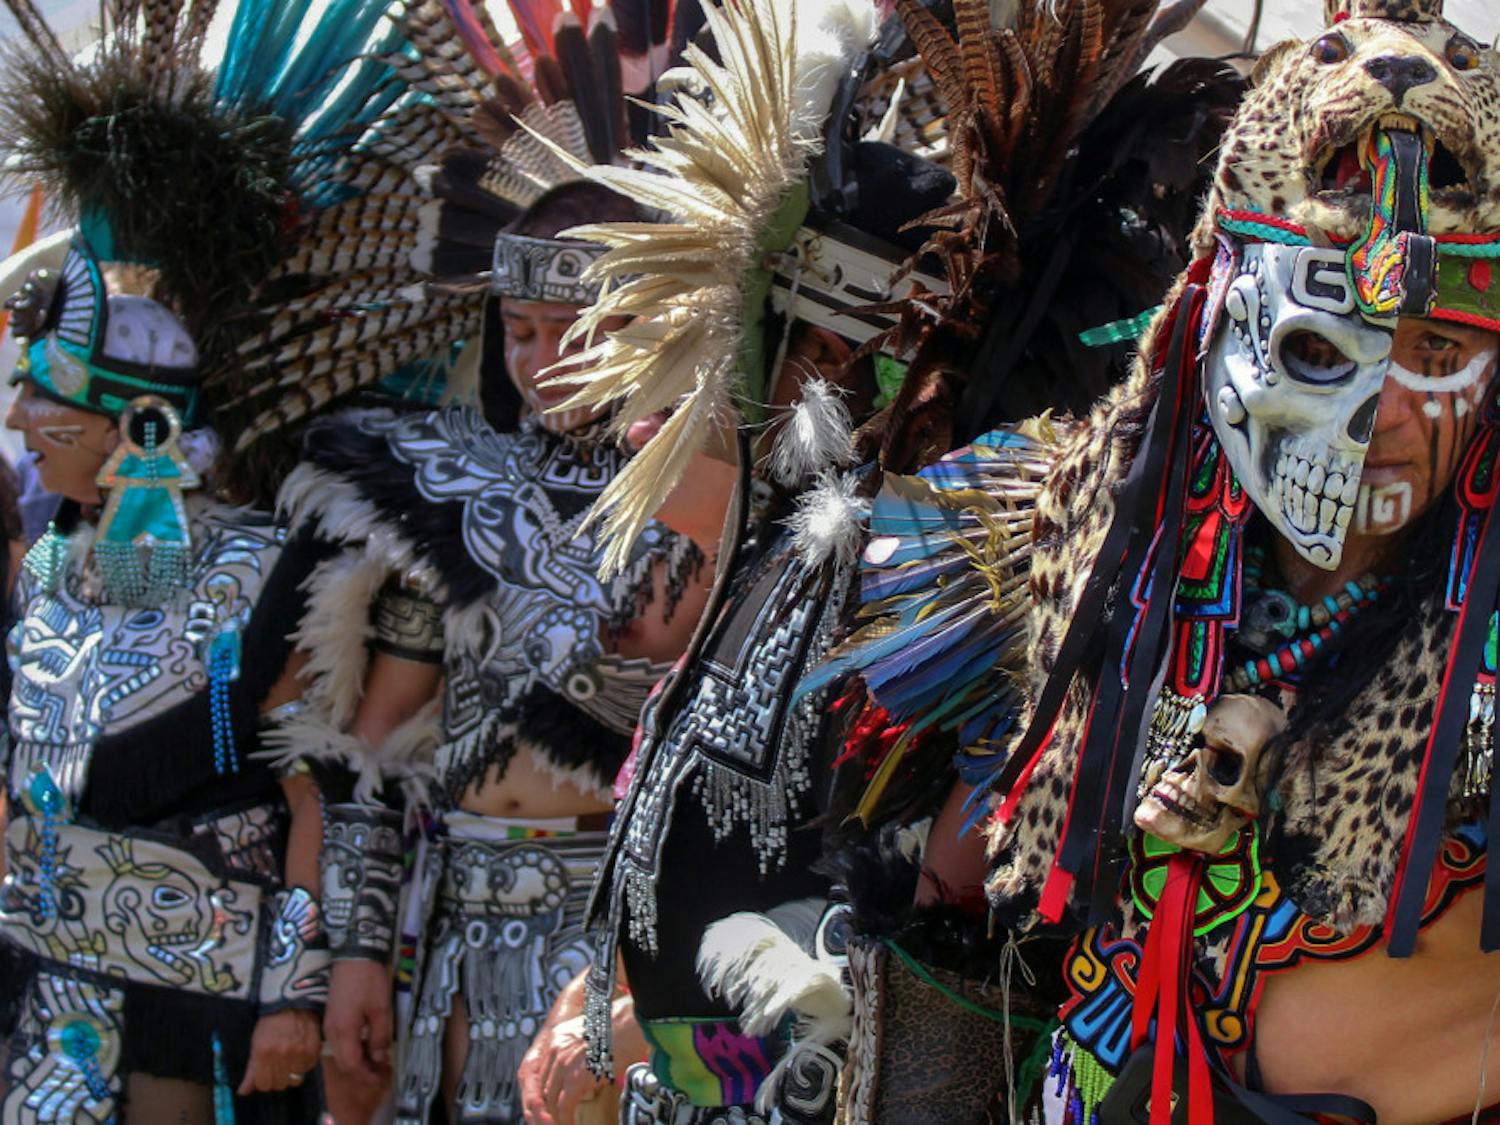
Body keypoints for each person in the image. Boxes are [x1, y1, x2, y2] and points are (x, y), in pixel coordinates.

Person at [852, 0, 1500, 1119]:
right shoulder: (1074, 568)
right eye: (1319, 346)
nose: (1378, 414)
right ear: (1209, 337)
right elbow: (960, 911)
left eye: (1435, 353)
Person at [0, 0, 485, 1119]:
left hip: (204, 1018)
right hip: (43, 1008)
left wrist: (296, 989)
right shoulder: (46, 566)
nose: (22, 418)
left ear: (141, 425)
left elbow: (315, 787)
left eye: (50, 402)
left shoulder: (278, 569)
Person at [266, 8, 715, 1121]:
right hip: (453, 926)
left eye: (576, 330)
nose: (541, 360)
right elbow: (372, 751)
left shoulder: (718, 502)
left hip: (623, 942)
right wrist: (350, 960)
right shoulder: (445, 490)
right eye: (519, 330)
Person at [515, 1, 960, 1120]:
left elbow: (925, 911)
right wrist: (593, 1005)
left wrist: (625, 1045)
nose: (627, 407)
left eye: (670, 357)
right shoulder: (763, 567)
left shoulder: (899, 571)